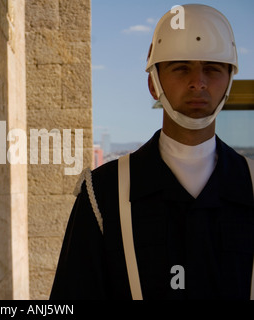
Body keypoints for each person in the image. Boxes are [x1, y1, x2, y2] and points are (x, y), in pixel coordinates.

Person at [50, 4, 254, 300]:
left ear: (229, 82)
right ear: (153, 83)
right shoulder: (102, 193)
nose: (198, 81)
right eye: (181, 67)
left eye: (212, 68)